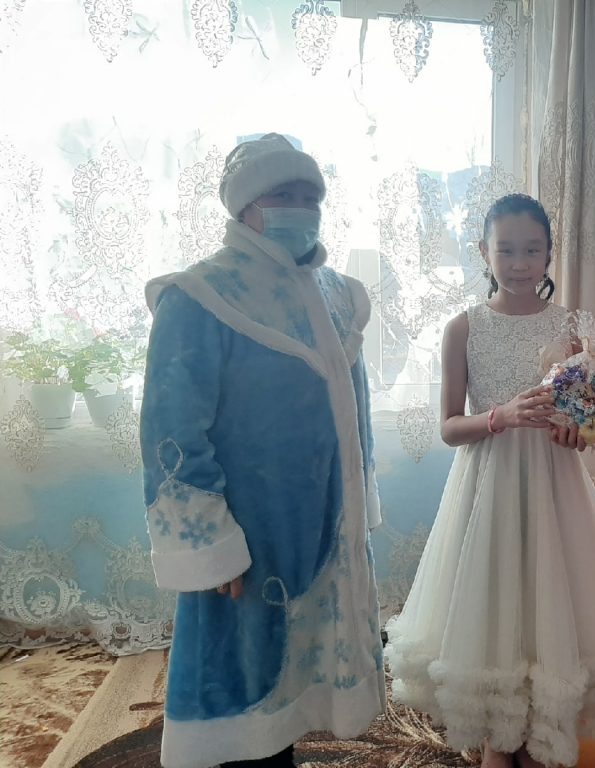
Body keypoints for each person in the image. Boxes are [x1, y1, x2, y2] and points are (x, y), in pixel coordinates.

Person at [385, 194, 595, 768]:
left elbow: (588, 421)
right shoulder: (464, 328)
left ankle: (540, 725)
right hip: (487, 487)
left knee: (548, 598)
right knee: (495, 601)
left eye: (531, 250)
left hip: (555, 488)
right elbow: (448, 428)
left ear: (549, 254)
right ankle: (497, 733)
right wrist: (500, 416)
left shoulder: (570, 327)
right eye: (505, 250)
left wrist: (576, 433)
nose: (518, 263)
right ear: (484, 252)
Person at [140, 133, 384, 768]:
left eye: (311, 196)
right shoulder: (200, 296)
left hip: (322, 523)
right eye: (282, 194)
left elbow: (354, 408)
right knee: (242, 678)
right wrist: (209, 545)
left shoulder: (337, 294)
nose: (300, 208)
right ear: (245, 206)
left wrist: (358, 500)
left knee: (299, 673)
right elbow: (172, 433)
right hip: (247, 532)